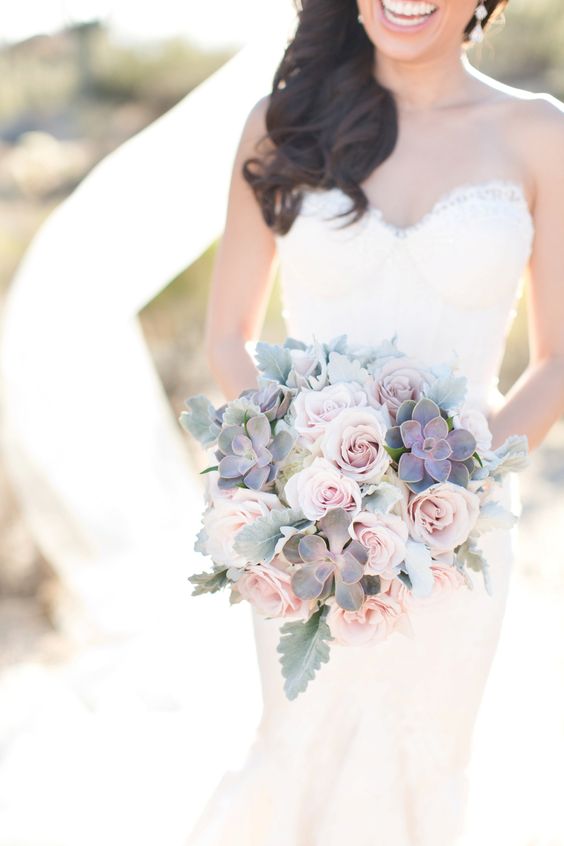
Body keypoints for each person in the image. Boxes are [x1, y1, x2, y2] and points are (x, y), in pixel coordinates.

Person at [190, 1, 564, 843]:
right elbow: (226, 337)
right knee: (302, 746)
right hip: (309, 528)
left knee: (426, 765)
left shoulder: (540, 133)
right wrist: (306, 474)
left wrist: (453, 489)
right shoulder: (283, 125)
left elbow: (559, 356)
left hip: (459, 533)